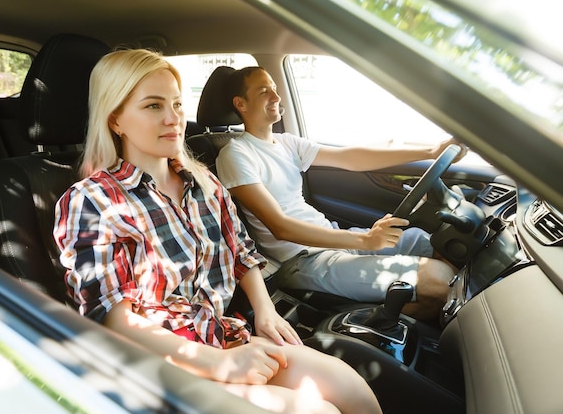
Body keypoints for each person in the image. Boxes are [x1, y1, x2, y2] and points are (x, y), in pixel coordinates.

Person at [53, 49, 382, 414]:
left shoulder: (203, 182)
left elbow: (241, 252)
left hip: (222, 337)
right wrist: (219, 365)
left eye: (177, 105)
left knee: (354, 392)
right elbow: (116, 319)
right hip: (155, 363)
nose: (173, 119)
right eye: (153, 106)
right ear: (115, 120)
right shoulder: (92, 200)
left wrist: (265, 311)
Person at [216, 66, 466, 323]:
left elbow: (350, 158)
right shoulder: (236, 154)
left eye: (276, 90)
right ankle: (367, 330)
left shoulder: (286, 143)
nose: (276, 98)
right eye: (263, 91)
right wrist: (366, 241)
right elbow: (280, 227)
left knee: (442, 243)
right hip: (302, 260)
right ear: (240, 104)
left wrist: (432, 151)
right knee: (439, 281)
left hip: (333, 239)